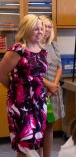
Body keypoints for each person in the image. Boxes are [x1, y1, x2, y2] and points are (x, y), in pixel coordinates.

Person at [0, 14, 48, 157]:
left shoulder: (42, 49)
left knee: (38, 140)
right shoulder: (17, 50)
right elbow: (2, 74)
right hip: (21, 104)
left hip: (39, 102)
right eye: (36, 29)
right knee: (25, 145)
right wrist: (13, 88)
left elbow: (39, 77)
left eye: (41, 29)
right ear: (27, 30)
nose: (40, 32)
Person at [40, 16, 65, 157]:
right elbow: (33, 71)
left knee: (49, 127)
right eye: (44, 26)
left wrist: (54, 85)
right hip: (40, 91)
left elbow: (60, 67)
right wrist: (49, 85)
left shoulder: (54, 45)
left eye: (50, 26)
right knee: (38, 128)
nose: (48, 29)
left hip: (53, 92)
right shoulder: (33, 45)